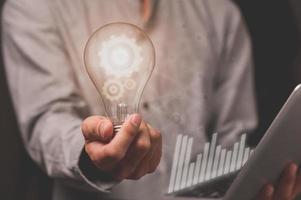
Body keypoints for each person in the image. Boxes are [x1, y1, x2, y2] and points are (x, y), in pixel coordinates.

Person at [2, 0, 301, 199]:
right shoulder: (35, 7)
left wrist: (254, 185)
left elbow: (233, 143)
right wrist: (93, 154)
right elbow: (47, 121)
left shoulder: (219, 14)